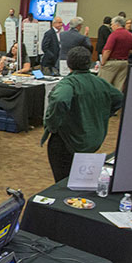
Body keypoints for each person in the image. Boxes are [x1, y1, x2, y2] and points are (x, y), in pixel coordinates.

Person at [42, 46, 124, 182]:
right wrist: (103, 115)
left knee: (63, 181)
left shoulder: (69, 83)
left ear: (69, 64)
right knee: (80, 179)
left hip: (67, 141)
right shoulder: (100, 82)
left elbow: (60, 100)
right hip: (90, 140)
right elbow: (119, 98)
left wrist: (52, 123)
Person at [99, 16, 132, 91]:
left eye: (112, 24)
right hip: (124, 62)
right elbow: (131, 50)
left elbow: (107, 50)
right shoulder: (130, 35)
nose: (111, 26)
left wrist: (103, 62)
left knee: (103, 85)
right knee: (119, 87)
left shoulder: (114, 35)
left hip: (112, 63)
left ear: (117, 24)